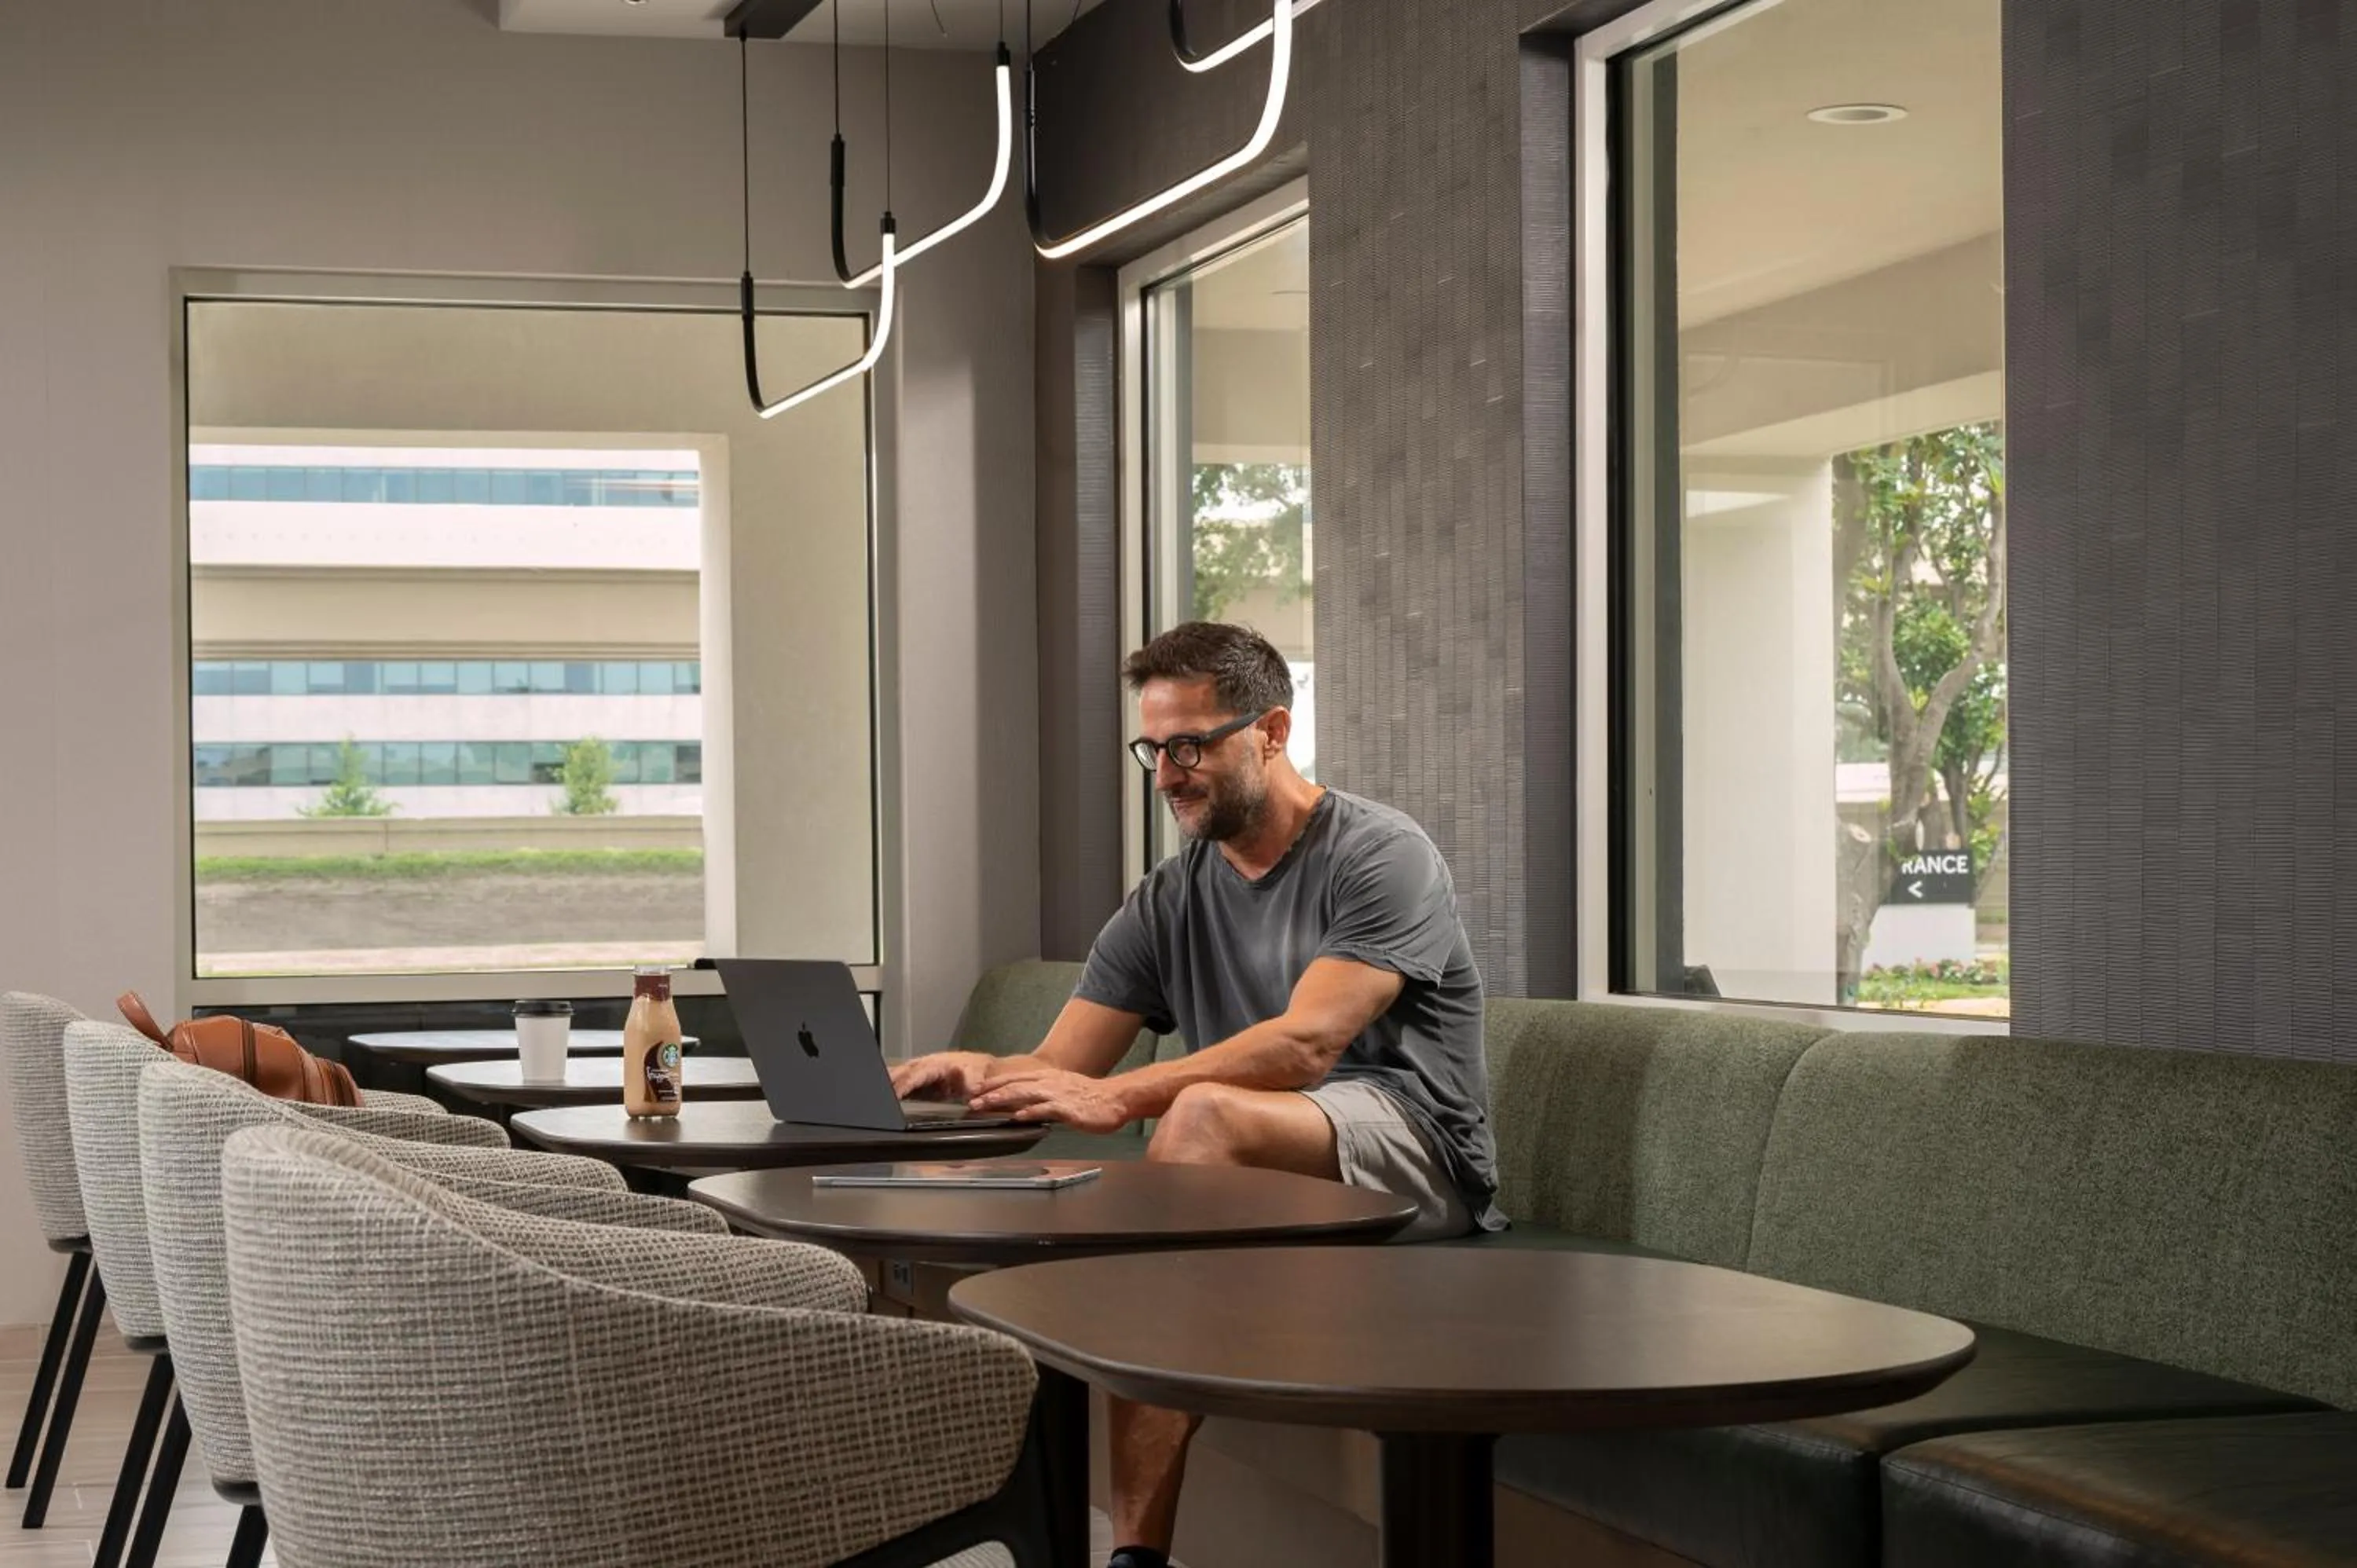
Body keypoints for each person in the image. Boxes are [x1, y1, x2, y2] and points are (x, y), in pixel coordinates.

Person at [890, 620, 1502, 1568]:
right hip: (1256, 1170)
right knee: (1163, 1163)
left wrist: (1133, 1098)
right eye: (1153, 748)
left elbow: (1308, 1045)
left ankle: (1132, 1554)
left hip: (1413, 1157)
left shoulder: (1380, 853)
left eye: (1190, 744)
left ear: (1272, 730)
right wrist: (980, 1069)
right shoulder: (1170, 897)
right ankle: (1122, 1550)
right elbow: (1069, 1064)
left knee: (1198, 1115)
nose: (1168, 772)